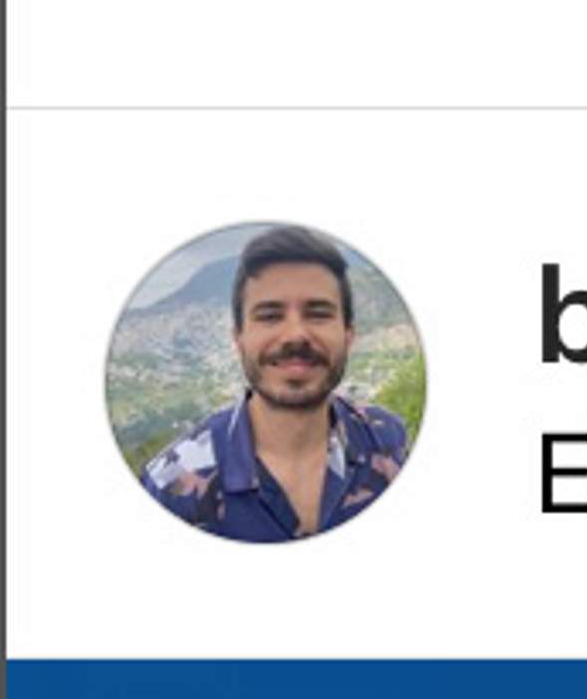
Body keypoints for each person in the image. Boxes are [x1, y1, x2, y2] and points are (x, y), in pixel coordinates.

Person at [137, 229, 411, 541]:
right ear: (238, 339)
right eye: (269, 316)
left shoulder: (386, 438)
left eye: (318, 314)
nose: (295, 334)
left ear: (348, 335)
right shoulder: (171, 483)